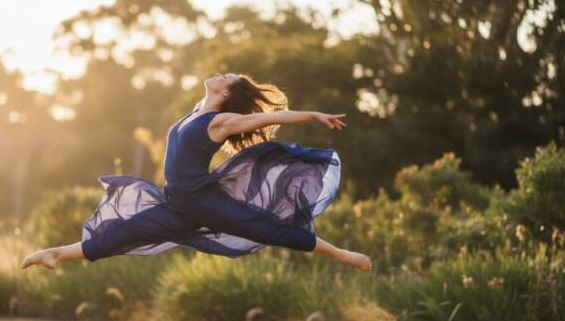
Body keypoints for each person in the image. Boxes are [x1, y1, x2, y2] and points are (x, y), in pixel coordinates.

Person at [21, 73, 372, 271]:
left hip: (204, 201)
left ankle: (346, 256)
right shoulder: (194, 111)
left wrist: (313, 116)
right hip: (177, 202)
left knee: (270, 229)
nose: (221, 73)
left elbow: (266, 118)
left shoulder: (220, 121)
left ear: (226, 91)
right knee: (124, 232)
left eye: (228, 77)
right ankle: (54, 254)